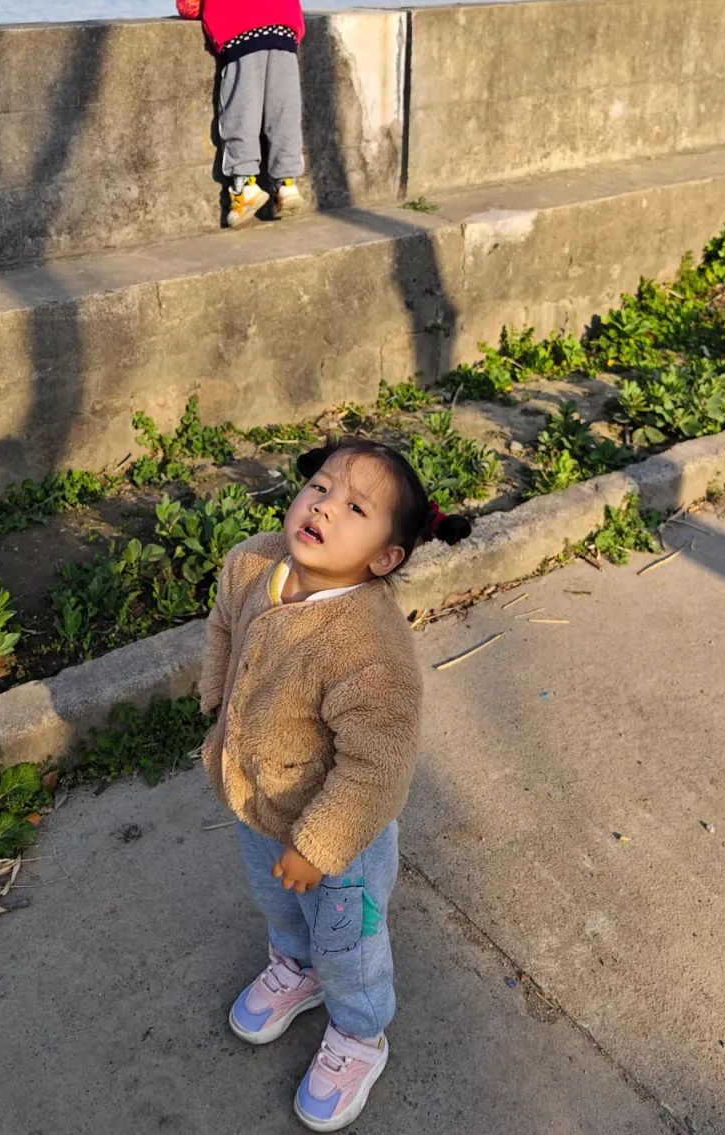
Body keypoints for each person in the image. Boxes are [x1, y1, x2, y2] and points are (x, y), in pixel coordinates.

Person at [198, 437, 471, 1130]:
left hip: (340, 842)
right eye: (320, 487)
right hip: (258, 800)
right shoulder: (253, 563)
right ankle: (296, 968)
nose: (322, 507)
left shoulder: (368, 646)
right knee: (277, 901)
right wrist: (214, 691)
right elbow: (224, 625)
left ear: (384, 558)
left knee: (349, 944)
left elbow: (378, 764)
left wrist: (319, 847)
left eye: (355, 507)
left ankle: (359, 1031)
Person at [174, 0, 307, 229]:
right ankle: (286, 185)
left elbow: (188, 6)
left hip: (243, 37)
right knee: (283, 113)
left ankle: (244, 187)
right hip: (286, 36)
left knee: (240, 112)